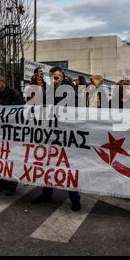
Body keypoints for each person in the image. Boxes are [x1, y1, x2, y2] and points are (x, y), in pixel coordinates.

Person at [31, 66, 82, 211]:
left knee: (67, 166)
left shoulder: (71, 91)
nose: (54, 81)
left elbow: (77, 110)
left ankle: (75, 198)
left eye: (56, 78)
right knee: (48, 164)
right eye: (51, 78)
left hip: (66, 135)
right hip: (51, 134)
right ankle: (46, 193)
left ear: (63, 77)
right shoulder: (49, 91)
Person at [0, 74, 25, 195]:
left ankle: (12, 183)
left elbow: (20, 111)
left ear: (3, 82)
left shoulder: (14, 94)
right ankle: (2, 182)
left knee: (11, 159)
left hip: (11, 132)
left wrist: (3, 109)